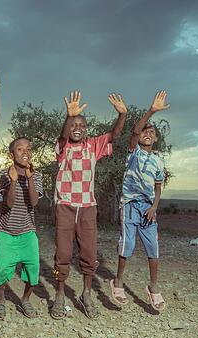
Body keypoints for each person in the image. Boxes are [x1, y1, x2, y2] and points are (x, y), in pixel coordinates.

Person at [51, 91, 127, 319]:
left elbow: (113, 134)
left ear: (86, 129)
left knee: (89, 253)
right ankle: (60, 294)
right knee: (62, 254)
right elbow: (63, 137)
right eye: (73, 124)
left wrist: (122, 115)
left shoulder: (93, 146)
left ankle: (86, 295)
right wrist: (68, 116)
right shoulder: (62, 147)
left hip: (87, 207)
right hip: (65, 206)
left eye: (81, 125)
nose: (77, 127)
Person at [110, 91, 170, 312]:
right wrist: (152, 110)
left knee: (153, 248)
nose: (146, 133)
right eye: (145, 130)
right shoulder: (133, 153)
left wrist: (154, 207)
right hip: (129, 205)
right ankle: (117, 283)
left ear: (155, 139)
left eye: (151, 132)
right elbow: (134, 130)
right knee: (127, 244)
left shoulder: (158, 161)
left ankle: (153, 288)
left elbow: (157, 186)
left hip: (148, 209)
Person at [0, 137, 43, 321]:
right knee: (3, 270)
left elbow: (35, 202)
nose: (25, 152)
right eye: (20, 149)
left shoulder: (36, 175)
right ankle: (0, 300)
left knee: (33, 268)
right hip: (6, 231)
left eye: (28, 149)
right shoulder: (4, 174)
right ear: (12, 154)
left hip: (27, 231)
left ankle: (25, 299)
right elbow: (10, 203)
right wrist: (13, 181)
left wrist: (28, 179)